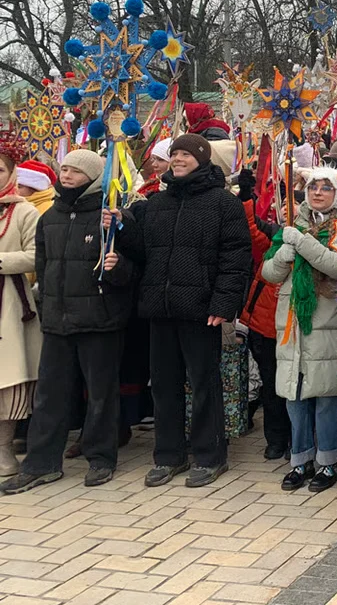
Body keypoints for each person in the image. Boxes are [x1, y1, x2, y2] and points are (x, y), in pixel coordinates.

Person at [0, 150, 135, 493]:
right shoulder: (51, 217)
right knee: (50, 395)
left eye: (76, 170)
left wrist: (117, 266)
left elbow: (131, 269)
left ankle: (101, 457)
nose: (67, 175)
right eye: (66, 169)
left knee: (101, 394)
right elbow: (42, 266)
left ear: (92, 177)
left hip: (99, 319)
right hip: (57, 319)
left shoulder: (108, 216)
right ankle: (41, 463)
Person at [126, 133, 251, 489]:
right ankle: (168, 456)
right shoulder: (157, 203)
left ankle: (210, 455)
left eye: (185, 154)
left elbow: (236, 257)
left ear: (201, 159)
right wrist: (119, 228)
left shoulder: (223, 204)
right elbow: (143, 252)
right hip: (161, 308)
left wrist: (224, 303)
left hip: (201, 309)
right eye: (174, 154)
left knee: (203, 384)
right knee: (163, 386)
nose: (178, 159)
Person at [263, 168, 337, 494]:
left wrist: (302, 244)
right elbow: (270, 273)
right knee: (295, 396)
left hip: (329, 322)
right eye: (313, 187)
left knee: (327, 397)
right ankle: (300, 459)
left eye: (326, 188)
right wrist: (282, 257)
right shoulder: (293, 225)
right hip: (293, 323)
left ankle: (329, 461)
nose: (317, 193)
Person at [236, 171, 289, 461]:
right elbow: (251, 230)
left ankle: (298, 437)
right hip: (265, 324)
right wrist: (246, 197)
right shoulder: (272, 242)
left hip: (296, 325)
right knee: (271, 383)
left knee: (292, 386)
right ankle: (276, 438)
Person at [0, 134, 42, 478]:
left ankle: (4, 450)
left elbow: (35, 256)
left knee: (8, 378)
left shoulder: (25, 211)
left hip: (10, 303)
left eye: (0, 170)